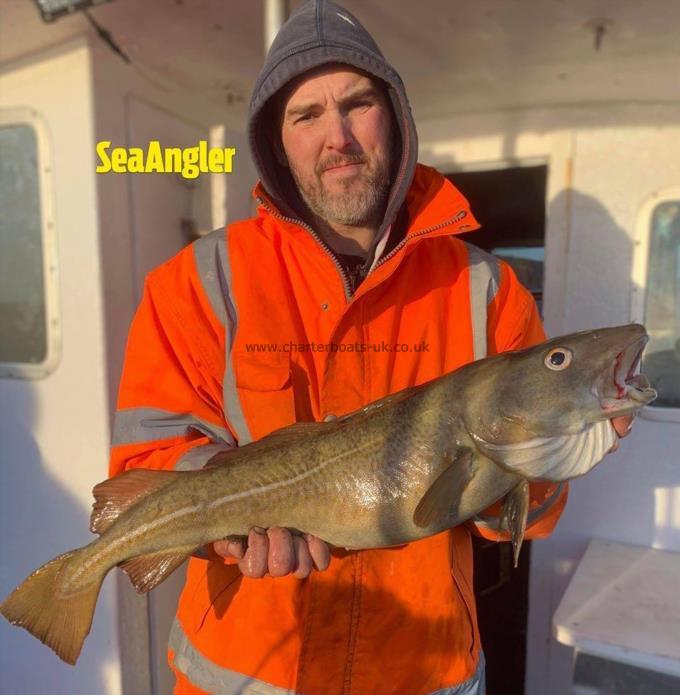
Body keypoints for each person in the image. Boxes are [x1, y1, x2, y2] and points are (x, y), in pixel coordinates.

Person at [109, 2, 633, 693]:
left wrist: (550, 453)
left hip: (425, 672)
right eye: (306, 115)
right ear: (276, 139)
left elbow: (532, 516)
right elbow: (146, 455)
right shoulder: (198, 281)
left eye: (358, 104)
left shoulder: (490, 290)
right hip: (245, 676)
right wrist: (225, 524)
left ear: (396, 117)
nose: (338, 136)